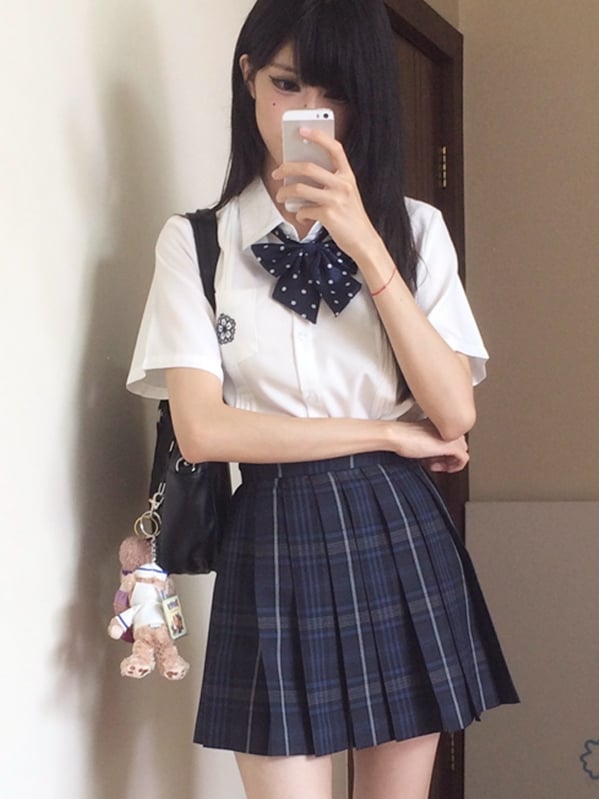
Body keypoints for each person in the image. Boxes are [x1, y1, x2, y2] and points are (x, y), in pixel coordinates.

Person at [126, 0, 519, 796]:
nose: (308, 111)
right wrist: (388, 434)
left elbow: (453, 412)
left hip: (397, 533)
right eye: (286, 83)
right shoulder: (196, 244)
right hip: (271, 534)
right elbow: (203, 431)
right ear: (248, 77)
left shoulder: (414, 230)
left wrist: (365, 241)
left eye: (335, 91)